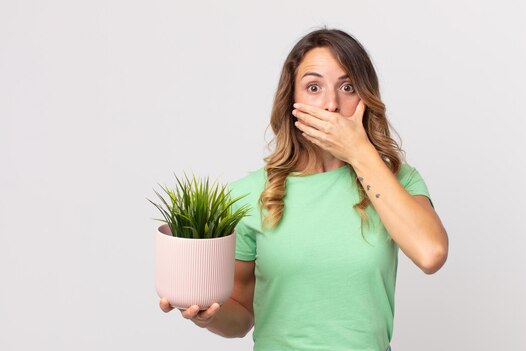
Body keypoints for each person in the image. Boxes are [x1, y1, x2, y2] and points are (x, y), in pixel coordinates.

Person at [159, 27, 449, 351]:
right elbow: (241, 314)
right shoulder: (249, 195)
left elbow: (431, 253)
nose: (331, 104)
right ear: (292, 101)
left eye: (348, 86)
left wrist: (358, 152)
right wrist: (206, 314)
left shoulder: (397, 181)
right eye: (314, 87)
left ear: (365, 98)